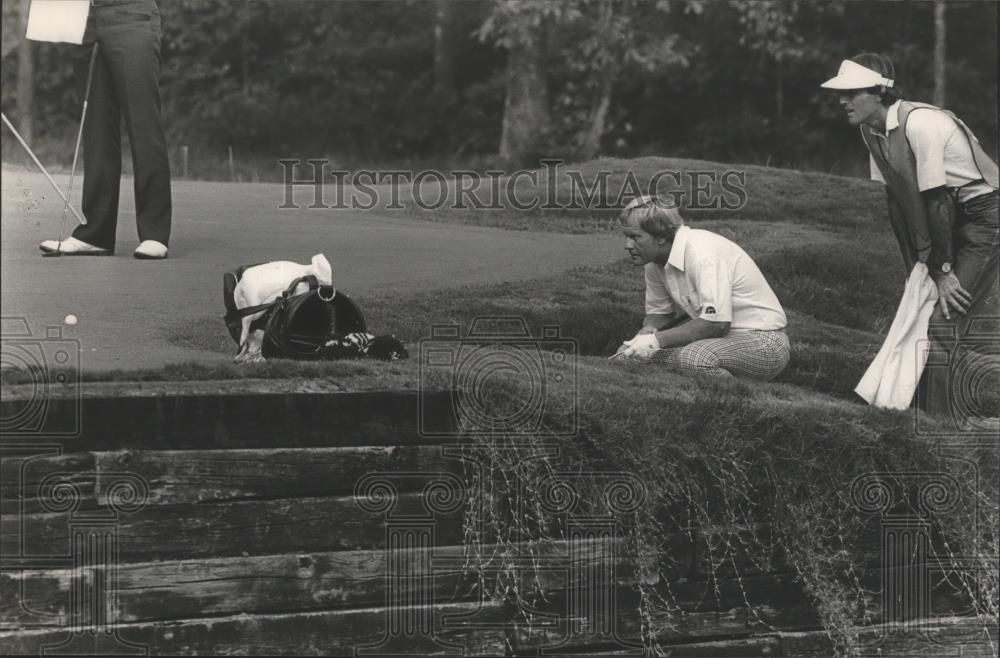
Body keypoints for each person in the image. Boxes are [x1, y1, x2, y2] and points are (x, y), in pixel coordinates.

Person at [820, 54, 999, 420]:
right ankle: (922, 415)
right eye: (841, 94)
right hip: (950, 215)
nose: (842, 101)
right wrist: (916, 269)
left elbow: (935, 201)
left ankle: (942, 427)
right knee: (925, 312)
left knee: (943, 321)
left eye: (852, 93)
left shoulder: (921, 123)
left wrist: (944, 270)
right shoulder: (871, 132)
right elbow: (896, 201)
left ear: (879, 93)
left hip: (985, 218)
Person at [39, 0, 172, 259]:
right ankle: (97, 234)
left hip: (131, 13)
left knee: (143, 123)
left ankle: (154, 233)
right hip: (84, 17)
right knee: (96, 128)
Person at [612, 196, 790, 380]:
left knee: (694, 358)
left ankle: (744, 398)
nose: (628, 245)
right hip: (718, 342)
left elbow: (717, 324)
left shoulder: (702, 254)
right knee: (628, 357)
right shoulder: (653, 262)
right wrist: (645, 334)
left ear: (661, 237)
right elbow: (660, 314)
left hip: (764, 342)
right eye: (626, 237)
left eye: (634, 237)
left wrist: (655, 341)